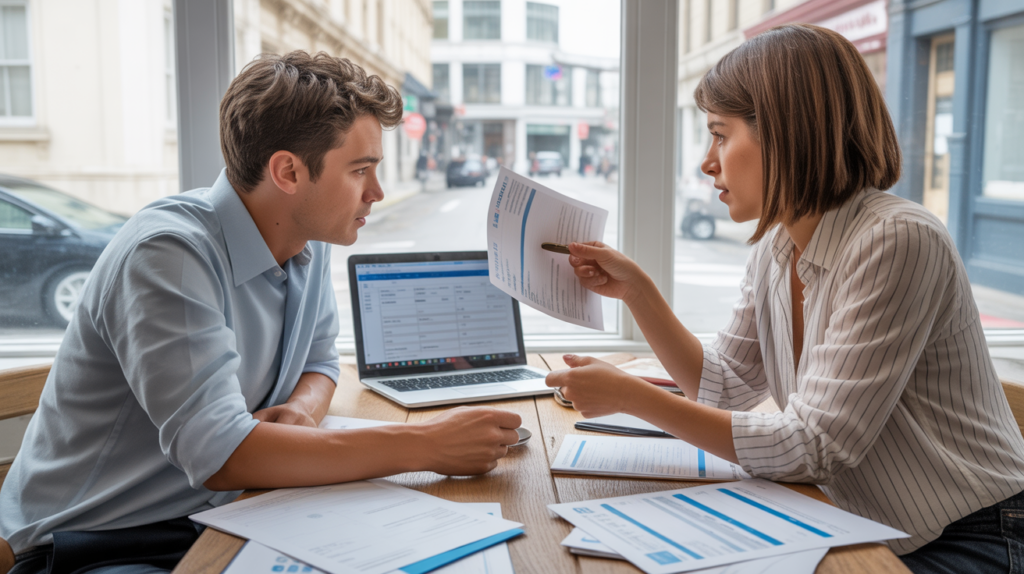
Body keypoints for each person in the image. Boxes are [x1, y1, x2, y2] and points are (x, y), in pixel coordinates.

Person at [0, 52, 521, 574]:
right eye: (360, 170)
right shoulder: (167, 255)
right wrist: (425, 444)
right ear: (288, 171)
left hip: (227, 513)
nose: (376, 193)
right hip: (93, 542)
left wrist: (301, 412)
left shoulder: (309, 238)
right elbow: (223, 454)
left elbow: (320, 360)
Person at [546, 24, 1024, 574]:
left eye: (721, 135)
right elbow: (725, 386)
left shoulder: (897, 239)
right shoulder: (778, 245)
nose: (708, 161)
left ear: (785, 133)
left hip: (974, 535)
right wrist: (637, 292)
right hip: (870, 525)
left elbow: (814, 444)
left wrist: (634, 396)